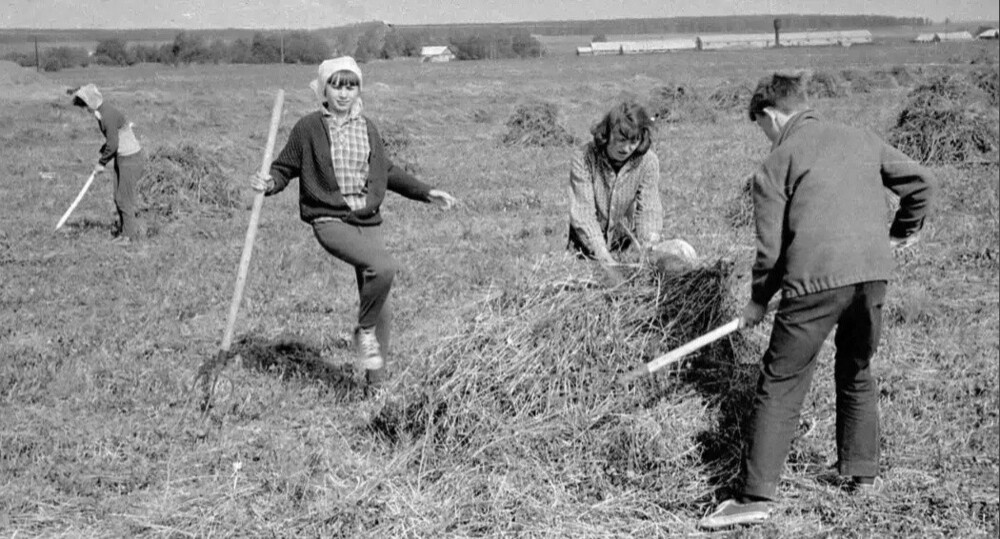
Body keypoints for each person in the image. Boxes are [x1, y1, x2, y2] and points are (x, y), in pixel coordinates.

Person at [699, 72, 935, 530]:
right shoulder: (861, 138)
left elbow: (770, 253)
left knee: (781, 380)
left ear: (770, 115)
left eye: (761, 127)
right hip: (873, 273)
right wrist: (899, 233)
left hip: (814, 282)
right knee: (856, 368)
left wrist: (757, 301)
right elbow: (922, 183)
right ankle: (862, 472)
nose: (765, 137)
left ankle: (753, 496)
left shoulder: (775, 163)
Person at [252, 56, 456, 388]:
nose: (344, 94)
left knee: (383, 305)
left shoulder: (368, 127)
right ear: (323, 89)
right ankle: (363, 332)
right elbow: (285, 167)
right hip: (329, 219)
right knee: (384, 267)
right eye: (336, 86)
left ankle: (376, 386)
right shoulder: (309, 128)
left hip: (368, 220)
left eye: (351, 86)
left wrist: (425, 192)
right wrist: (270, 183)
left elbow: (386, 171)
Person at [567, 100, 696, 283]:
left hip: (623, 244)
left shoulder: (648, 162)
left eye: (633, 141)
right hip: (586, 249)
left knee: (682, 253)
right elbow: (584, 214)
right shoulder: (584, 158)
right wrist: (605, 260)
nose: (626, 148)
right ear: (607, 134)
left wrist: (647, 249)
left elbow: (648, 210)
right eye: (621, 140)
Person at [70, 84, 145, 244]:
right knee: (118, 197)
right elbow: (114, 138)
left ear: (91, 102)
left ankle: (129, 236)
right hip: (122, 157)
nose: (85, 110)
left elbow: (113, 143)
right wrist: (105, 150)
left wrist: (101, 163)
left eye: (85, 106)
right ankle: (125, 232)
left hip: (130, 159)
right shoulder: (102, 112)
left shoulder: (106, 115)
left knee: (124, 199)